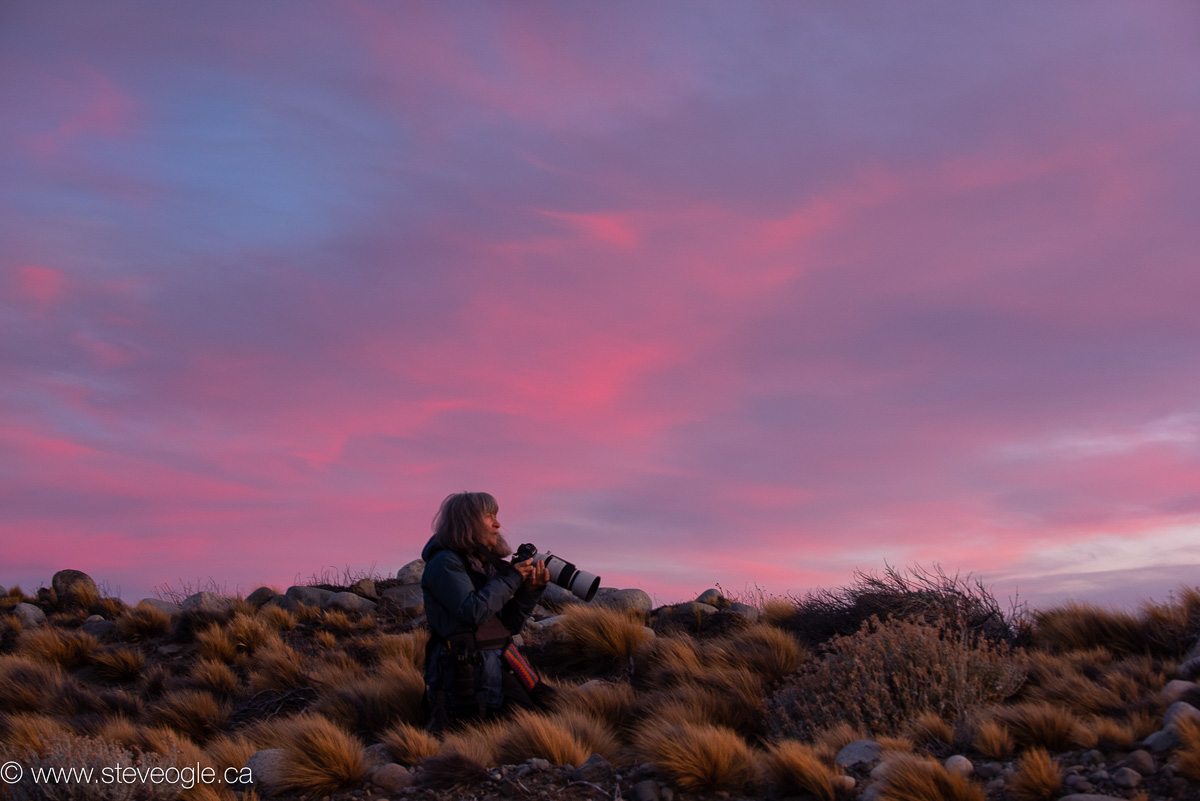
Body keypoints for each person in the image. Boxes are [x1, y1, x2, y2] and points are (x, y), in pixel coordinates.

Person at [420, 491, 553, 732]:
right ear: (467, 522)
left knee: (550, 715)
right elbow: (473, 612)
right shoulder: (445, 563)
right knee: (528, 732)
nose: (498, 524)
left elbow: (505, 627)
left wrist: (530, 591)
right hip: (464, 678)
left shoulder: (481, 565)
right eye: (489, 516)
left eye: (497, 516)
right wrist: (512, 578)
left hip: (495, 669)